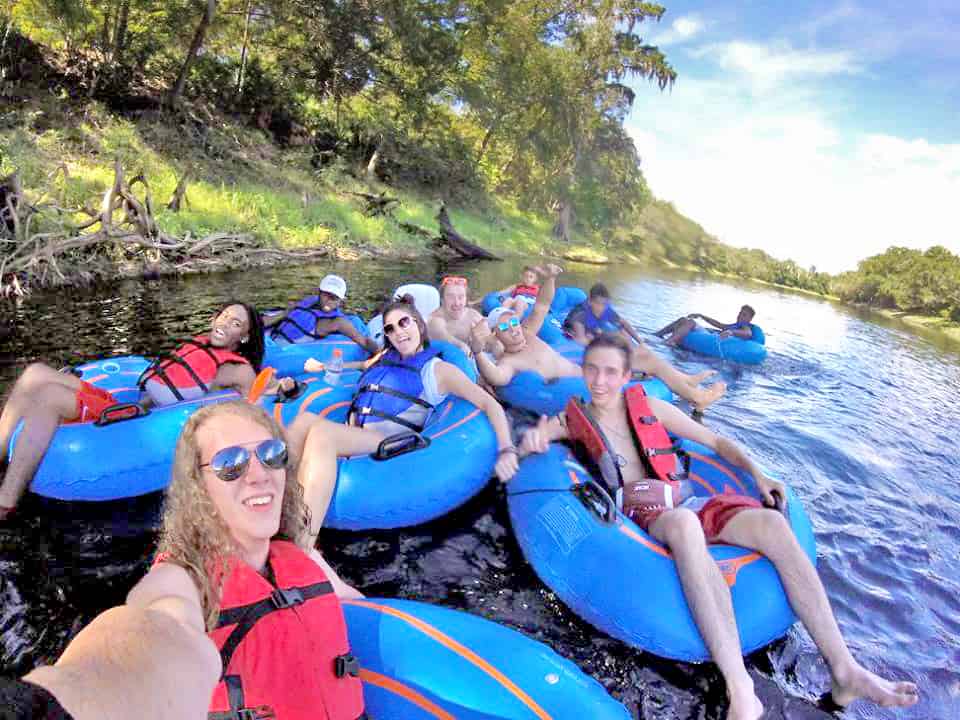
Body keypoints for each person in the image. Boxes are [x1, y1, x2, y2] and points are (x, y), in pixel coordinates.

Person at [518, 334, 919, 720]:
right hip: (648, 512)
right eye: (591, 370)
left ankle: (844, 669)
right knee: (685, 525)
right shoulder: (574, 418)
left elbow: (715, 441)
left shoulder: (648, 408)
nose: (599, 381)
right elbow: (536, 439)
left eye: (610, 372)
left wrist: (758, 475)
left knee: (772, 525)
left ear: (626, 376)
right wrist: (532, 440)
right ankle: (740, 689)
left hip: (688, 497)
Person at [5, 400, 366, 719]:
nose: (259, 475)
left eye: (271, 454)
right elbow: (151, 628)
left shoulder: (302, 558)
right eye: (231, 463)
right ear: (200, 488)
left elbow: (360, 610)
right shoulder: (183, 580)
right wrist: (49, 703)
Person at [0, 301, 283, 522]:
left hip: (132, 418)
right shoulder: (203, 342)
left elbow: (256, 398)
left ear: (244, 337)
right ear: (214, 318)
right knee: (35, 372)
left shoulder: (237, 368)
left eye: (236, 323)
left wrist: (282, 387)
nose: (224, 324)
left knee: (48, 396)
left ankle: (6, 501)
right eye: (224, 316)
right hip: (131, 400)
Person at [287, 296, 519, 544]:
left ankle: (303, 544)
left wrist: (507, 450)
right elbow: (363, 364)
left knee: (323, 435)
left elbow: (489, 404)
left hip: (384, 439)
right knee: (304, 421)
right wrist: (325, 366)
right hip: (353, 432)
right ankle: (282, 508)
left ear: (419, 325)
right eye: (390, 328)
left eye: (404, 323)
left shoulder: (438, 370)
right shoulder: (386, 357)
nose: (398, 332)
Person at [470, 267, 726, 410]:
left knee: (645, 355)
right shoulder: (509, 361)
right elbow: (496, 377)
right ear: (498, 336)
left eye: (514, 322)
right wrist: (479, 350)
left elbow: (542, 304)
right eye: (507, 328)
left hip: (584, 368)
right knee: (641, 362)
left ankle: (687, 383)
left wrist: (550, 277)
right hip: (584, 380)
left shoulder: (527, 333)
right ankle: (697, 397)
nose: (515, 328)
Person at [265, 274, 379, 353]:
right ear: (319, 293)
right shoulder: (309, 302)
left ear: (341, 301)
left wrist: (380, 352)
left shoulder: (338, 322)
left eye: (334, 298)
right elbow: (287, 314)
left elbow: (364, 341)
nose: (329, 300)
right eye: (326, 295)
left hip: (282, 350)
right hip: (271, 338)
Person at [563, 282, 645, 346]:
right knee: (591, 335)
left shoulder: (606, 311)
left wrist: (640, 341)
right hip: (570, 328)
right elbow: (580, 340)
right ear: (590, 301)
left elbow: (624, 323)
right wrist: (598, 338)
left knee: (623, 333)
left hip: (593, 327)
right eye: (597, 303)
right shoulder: (580, 315)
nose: (600, 308)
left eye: (604, 304)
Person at [427, 275, 485, 357]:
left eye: (461, 297)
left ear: (466, 299)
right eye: (451, 297)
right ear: (442, 300)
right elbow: (443, 336)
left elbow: (491, 341)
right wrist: (462, 346)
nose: (457, 303)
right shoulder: (435, 320)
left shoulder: (473, 316)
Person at [656, 305, 757, 346]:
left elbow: (747, 334)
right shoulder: (736, 324)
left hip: (711, 339)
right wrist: (701, 316)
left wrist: (731, 332)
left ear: (749, 319)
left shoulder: (745, 326)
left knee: (690, 322)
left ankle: (668, 341)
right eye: (740, 313)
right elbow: (719, 325)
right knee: (683, 320)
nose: (740, 315)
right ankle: (658, 334)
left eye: (744, 315)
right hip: (711, 336)